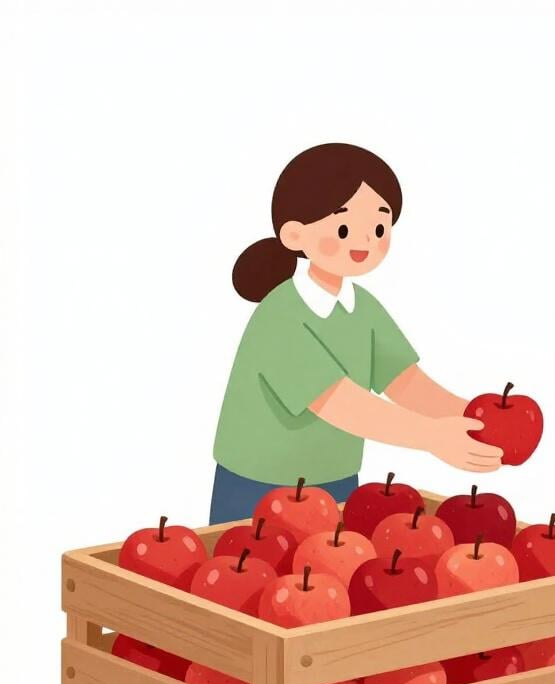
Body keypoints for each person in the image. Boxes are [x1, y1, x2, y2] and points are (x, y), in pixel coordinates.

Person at [210, 143, 502, 524]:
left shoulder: (362, 308)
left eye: (379, 227)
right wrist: (432, 437)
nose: (364, 241)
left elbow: (405, 381)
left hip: (337, 478)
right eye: (345, 227)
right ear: (295, 234)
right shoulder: (278, 316)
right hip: (258, 484)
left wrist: (475, 417)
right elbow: (337, 401)